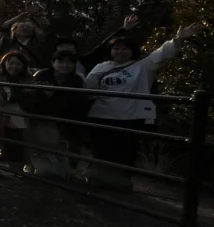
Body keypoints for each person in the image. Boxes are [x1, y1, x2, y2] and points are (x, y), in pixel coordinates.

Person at [83, 23, 204, 191]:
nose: (120, 52)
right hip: (101, 114)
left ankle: (121, 183)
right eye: (116, 48)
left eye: (124, 49)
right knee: (101, 150)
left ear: (133, 51)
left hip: (130, 117)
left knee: (125, 152)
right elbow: (87, 88)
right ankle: (98, 180)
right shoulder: (101, 67)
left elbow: (161, 54)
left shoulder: (143, 66)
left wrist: (178, 39)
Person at [23, 48, 91, 178]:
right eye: (61, 62)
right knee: (41, 145)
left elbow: (78, 100)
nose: (65, 65)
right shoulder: (42, 75)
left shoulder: (77, 79)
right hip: (42, 116)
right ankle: (31, 164)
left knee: (68, 145)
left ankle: (68, 167)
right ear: (53, 62)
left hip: (66, 117)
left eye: (70, 62)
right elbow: (31, 98)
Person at [0, 4, 47, 71]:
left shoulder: (37, 42)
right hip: (10, 72)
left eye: (28, 27)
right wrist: (18, 17)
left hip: (33, 73)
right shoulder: (7, 42)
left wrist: (35, 18)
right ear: (14, 30)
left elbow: (44, 32)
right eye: (22, 27)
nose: (25, 28)